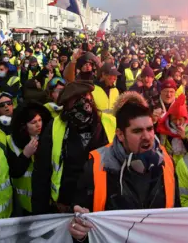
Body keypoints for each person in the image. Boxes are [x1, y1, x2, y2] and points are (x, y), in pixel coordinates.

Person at [69, 91, 179, 241]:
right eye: (137, 131)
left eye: (149, 128)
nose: (147, 136)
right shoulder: (95, 166)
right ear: (120, 135)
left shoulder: (167, 162)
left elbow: (177, 213)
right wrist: (79, 232)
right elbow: (81, 222)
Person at [31, 81, 108, 215]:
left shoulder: (109, 122)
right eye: (77, 100)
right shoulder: (55, 127)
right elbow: (41, 172)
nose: (84, 103)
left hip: (104, 204)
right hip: (67, 206)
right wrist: (41, 213)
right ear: (67, 106)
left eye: (86, 96)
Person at [7, 102, 52, 215]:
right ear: (24, 125)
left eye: (39, 120)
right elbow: (13, 172)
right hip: (25, 204)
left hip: (48, 201)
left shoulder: (49, 138)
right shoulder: (11, 141)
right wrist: (25, 155)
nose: (38, 125)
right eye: (33, 122)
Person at [156, 94, 188, 164]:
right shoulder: (164, 129)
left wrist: (184, 138)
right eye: (174, 119)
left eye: (180, 119)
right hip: (170, 162)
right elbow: (161, 147)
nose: (177, 123)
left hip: (187, 163)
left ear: (185, 118)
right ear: (169, 118)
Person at [93, 63, 121, 142]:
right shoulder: (92, 89)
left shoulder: (115, 91)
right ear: (103, 75)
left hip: (112, 130)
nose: (115, 78)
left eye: (116, 75)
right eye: (113, 75)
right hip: (98, 132)